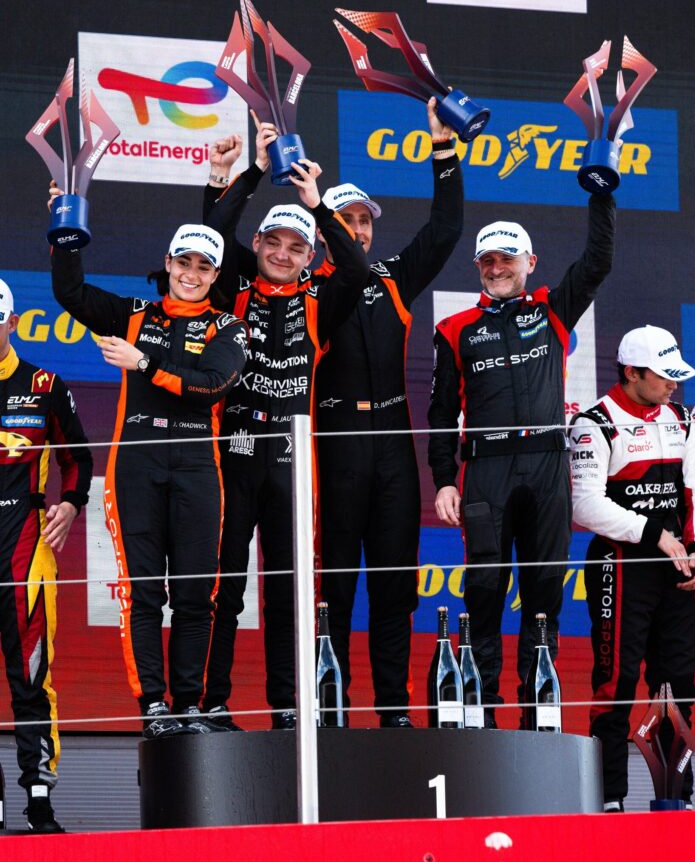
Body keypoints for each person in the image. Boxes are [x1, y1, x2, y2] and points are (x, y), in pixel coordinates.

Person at [48, 195, 249, 739]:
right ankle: (153, 705)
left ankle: (189, 704)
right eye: (184, 262)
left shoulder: (230, 328)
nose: (191, 274)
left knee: (196, 594)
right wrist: (65, 231)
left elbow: (210, 385)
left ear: (216, 275)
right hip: (136, 465)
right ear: (168, 263)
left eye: (203, 266)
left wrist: (143, 363)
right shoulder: (135, 315)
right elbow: (70, 293)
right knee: (142, 593)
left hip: (197, 467)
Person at [199, 123, 370, 729]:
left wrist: (316, 207)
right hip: (235, 453)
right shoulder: (236, 286)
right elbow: (213, 232)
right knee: (224, 586)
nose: (281, 254)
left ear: (310, 256)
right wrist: (249, 171)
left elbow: (358, 270)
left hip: (293, 465)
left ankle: (288, 709)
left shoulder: (323, 298)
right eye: (272, 242)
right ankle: (212, 703)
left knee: (289, 592)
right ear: (258, 243)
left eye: (295, 248)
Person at [427, 192, 615, 726]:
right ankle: (482, 709)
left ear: (529, 262)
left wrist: (601, 193)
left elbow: (598, 262)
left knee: (544, 590)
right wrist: (445, 480)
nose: (497, 268)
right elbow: (440, 414)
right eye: (487, 260)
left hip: (547, 466)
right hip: (486, 471)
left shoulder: (552, 309)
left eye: (507, 259)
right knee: (484, 589)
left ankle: (540, 711)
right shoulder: (455, 329)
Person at [313, 97, 463, 727]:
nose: (360, 230)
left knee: (395, 584)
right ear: (324, 227)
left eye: (365, 220)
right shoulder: (308, 288)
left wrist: (443, 149)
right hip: (338, 440)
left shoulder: (393, 278)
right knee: (335, 586)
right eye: (345, 220)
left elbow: (444, 231)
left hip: (394, 441)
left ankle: (394, 710)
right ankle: (330, 710)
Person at [570, 325, 695, 812]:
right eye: (663, 376)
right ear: (631, 373)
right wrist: (655, 534)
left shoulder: (683, 419)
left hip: (678, 565)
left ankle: (676, 798)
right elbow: (585, 505)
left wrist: (693, 547)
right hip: (620, 565)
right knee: (616, 682)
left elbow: (694, 488)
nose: (673, 385)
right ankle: (611, 798)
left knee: (678, 682)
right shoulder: (594, 423)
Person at [0, 278, 92, 832]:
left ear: (11, 323)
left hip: (25, 549)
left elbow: (78, 457)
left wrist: (73, 504)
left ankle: (38, 797)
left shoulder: (44, 385)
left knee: (32, 675)